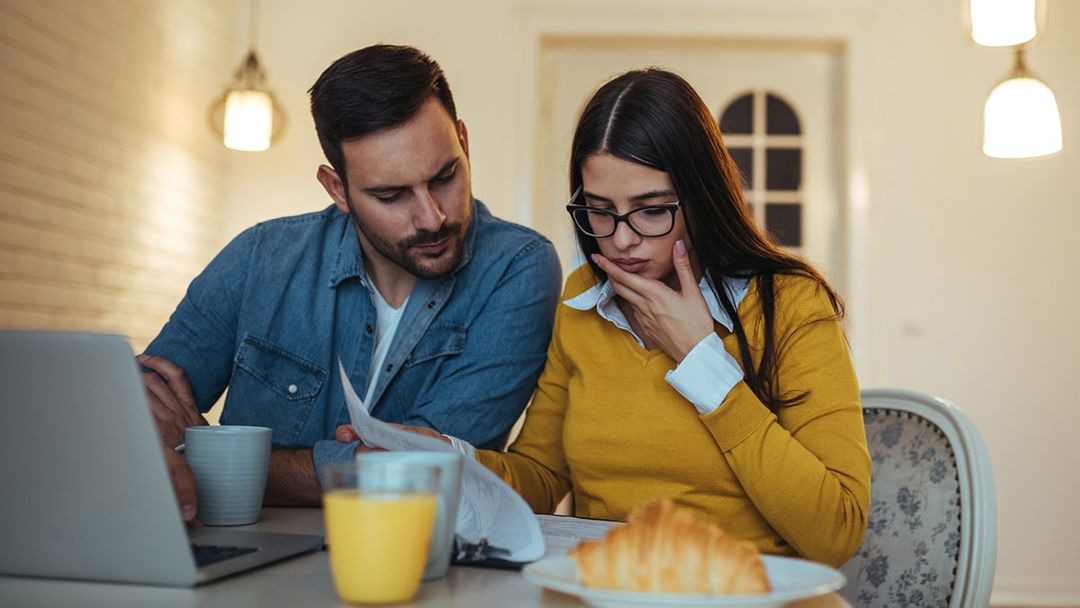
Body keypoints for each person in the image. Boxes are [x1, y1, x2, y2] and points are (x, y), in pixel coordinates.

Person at [343, 68, 870, 567]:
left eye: (651, 209)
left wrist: (703, 362)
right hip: (610, 587)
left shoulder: (790, 304)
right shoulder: (583, 301)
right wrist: (448, 460)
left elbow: (836, 532)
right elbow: (542, 476)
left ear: (703, 200)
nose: (619, 239)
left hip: (744, 591)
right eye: (598, 209)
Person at [143, 44, 561, 521]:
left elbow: (415, 477)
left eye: (445, 176)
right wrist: (346, 465)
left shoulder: (518, 268)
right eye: (391, 194)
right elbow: (135, 415)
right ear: (337, 188)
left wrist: (208, 452)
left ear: (463, 143)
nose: (432, 217)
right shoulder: (260, 257)